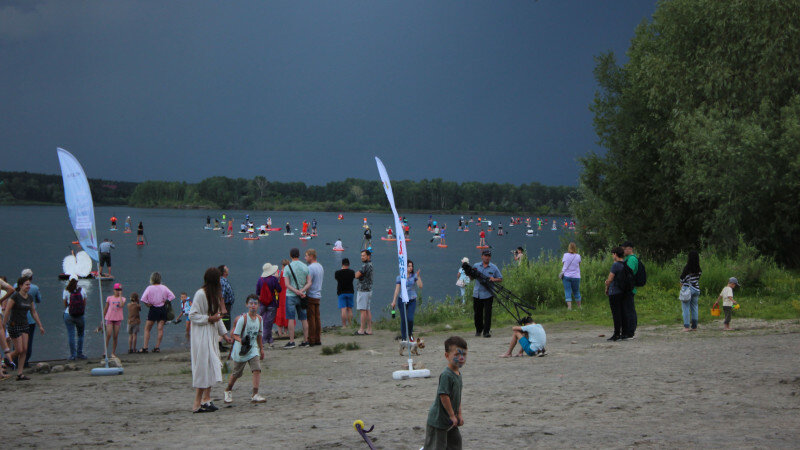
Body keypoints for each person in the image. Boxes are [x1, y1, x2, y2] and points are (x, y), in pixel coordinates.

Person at [189, 267, 232, 413]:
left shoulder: (215, 295)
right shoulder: (200, 294)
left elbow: (217, 316)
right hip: (201, 336)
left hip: (211, 335)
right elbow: (192, 315)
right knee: (203, 368)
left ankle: (206, 399)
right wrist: (208, 319)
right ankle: (197, 403)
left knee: (212, 366)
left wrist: (225, 335)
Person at [424, 336, 467, 450]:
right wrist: (452, 415)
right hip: (439, 420)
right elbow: (444, 396)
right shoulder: (446, 375)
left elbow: (457, 397)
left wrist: (459, 414)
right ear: (447, 356)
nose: (461, 358)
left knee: (456, 443)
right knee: (437, 446)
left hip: (450, 420)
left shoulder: (458, 374)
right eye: (457, 354)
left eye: (464, 354)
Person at [224, 295, 267, 404]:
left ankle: (255, 394)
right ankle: (228, 390)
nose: (253, 305)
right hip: (241, 351)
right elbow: (234, 334)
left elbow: (259, 335)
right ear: (247, 305)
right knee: (236, 373)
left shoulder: (259, 319)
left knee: (257, 369)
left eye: (255, 303)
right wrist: (241, 340)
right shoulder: (242, 319)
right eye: (251, 303)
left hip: (253, 349)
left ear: (258, 305)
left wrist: (261, 349)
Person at [3, 277, 45, 380]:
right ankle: (5, 360)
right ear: (21, 285)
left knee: (24, 350)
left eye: (29, 284)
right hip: (14, 324)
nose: (28, 286)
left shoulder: (29, 297)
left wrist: (40, 325)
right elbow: (7, 311)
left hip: (25, 324)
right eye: (26, 284)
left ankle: (20, 373)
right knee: (19, 349)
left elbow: (33, 312)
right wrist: (3, 325)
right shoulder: (15, 296)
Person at [140, 272, 176, 353]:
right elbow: (172, 296)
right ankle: (157, 347)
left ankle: (145, 347)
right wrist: (166, 301)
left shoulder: (149, 288)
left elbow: (143, 299)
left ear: (152, 279)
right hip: (162, 309)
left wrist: (147, 304)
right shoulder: (164, 287)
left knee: (147, 329)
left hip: (153, 309)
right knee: (160, 329)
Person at [282, 248, 311, 349]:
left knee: (291, 318)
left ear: (290, 255)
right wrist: (302, 291)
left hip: (291, 295)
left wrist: (296, 291)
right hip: (302, 296)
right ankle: (306, 340)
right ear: (299, 255)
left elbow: (287, 284)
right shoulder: (305, 266)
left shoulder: (287, 268)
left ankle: (292, 341)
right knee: (304, 318)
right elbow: (309, 282)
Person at [472, 250, 502, 338]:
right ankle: (478, 330)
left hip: (488, 294)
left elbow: (500, 278)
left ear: (490, 257)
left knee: (488, 314)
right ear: (482, 256)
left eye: (488, 256)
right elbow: (471, 277)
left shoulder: (494, 267)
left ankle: (486, 331)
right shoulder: (476, 266)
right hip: (477, 293)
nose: (487, 257)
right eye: (485, 256)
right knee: (477, 314)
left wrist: (494, 279)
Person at [604, 246, 631, 341]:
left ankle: (616, 334)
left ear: (615, 254)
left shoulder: (615, 265)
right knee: (623, 312)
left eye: (612, 254)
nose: (612, 256)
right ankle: (624, 333)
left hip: (614, 291)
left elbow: (610, 279)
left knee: (616, 313)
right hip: (623, 291)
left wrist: (606, 285)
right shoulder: (625, 264)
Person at [391, 261, 423, 341]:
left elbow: (420, 286)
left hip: (412, 299)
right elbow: (397, 289)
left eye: (411, 266)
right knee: (403, 319)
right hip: (402, 300)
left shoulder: (414, 276)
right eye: (409, 266)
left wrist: (418, 276)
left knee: (410, 319)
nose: (410, 268)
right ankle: (404, 338)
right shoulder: (400, 277)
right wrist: (394, 301)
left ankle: (410, 334)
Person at [17, 269, 41, 367]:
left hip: (17, 319)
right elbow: (39, 299)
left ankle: (15, 361)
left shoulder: (15, 286)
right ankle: (25, 362)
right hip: (30, 319)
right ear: (31, 277)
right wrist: (40, 325)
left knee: (17, 341)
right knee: (28, 342)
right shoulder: (34, 288)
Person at [256, 262, 281, 347]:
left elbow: (257, 292)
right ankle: (263, 341)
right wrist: (277, 281)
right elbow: (279, 289)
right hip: (272, 303)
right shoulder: (273, 279)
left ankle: (270, 340)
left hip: (262, 303)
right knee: (269, 323)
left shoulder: (260, 279)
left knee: (263, 321)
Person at [62, 276, 87, 360]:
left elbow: (65, 304)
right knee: (80, 335)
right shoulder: (82, 290)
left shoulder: (66, 290)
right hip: (80, 315)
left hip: (68, 314)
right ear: (77, 281)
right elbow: (84, 303)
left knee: (71, 335)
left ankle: (73, 355)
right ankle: (80, 353)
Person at [100, 283, 126, 358]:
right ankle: (105, 351)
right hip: (109, 318)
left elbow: (121, 305)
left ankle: (113, 352)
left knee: (115, 336)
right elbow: (106, 308)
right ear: (114, 290)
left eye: (119, 290)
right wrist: (103, 318)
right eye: (117, 290)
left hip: (118, 318)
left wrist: (120, 296)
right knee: (108, 334)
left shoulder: (123, 299)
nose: (118, 291)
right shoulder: (109, 298)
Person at [304, 249, 324, 346]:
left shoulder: (310, 268)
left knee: (311, 318)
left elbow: (308, 282)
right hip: (318, 294)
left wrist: (303, 291)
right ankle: (317, 338)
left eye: (306, 256)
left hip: (311, 295)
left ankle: (311, 339)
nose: (305, 258)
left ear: (311, 256)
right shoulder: (320, 266)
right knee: (317, 318)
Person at [679, 251, 702, 331]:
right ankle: (694, 326)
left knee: (686, 308)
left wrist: (682, 286)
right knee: (694, 307)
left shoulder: (687, 268)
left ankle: (686, 326)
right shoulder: (699, 269)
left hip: (687, 289)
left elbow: (682, 279)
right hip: (696, 289)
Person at [621, 242, 639, 338]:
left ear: (630, 249)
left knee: (629, 310)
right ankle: (628, 330)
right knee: (627, 309)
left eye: (624, 249)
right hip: (628, 288)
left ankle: (630, 331)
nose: (623, 251)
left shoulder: (631, 259)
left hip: (629, 288)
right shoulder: (628, 258)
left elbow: (628, 273)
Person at [354, 249, 374, 336]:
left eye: (364, 255)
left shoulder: (365, 266)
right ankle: (369, 329)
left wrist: (356, 273)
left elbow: (356, 275)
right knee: (367, 310)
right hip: (369, 290)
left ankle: (361, 329)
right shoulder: (370, 264)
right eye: (361, 255)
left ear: (368, 256)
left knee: (362, 310)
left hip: (363, 290)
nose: (362, 257)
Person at [335, 258, 355, 327]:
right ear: (349, 264)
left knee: (343, 309)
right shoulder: (352, 272)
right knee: (349, 309)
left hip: (341, 292)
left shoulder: (337, 273)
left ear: (342, 264)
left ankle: (344, 325)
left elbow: (336, 278)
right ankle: (350, 325)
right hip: (350, 292)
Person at [561, 242, 582, 310]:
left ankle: (569, 307)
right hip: (576, 276)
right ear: (575, 248)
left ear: (569, 248)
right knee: (576, 291)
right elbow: (578, 265)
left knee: (567, 291)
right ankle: (579, 307)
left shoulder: (565, 255)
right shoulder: (578, 256)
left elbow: (564, 264)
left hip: (566, 276)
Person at [275, 259, 290, 338]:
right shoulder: (289, 274)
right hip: (288, 295)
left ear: (282, 265)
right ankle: (286, 332)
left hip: (280, 296)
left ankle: (280, 333)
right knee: (287, 313)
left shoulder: (279, 273)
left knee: (279, 313)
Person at [219, 265, 235, 334]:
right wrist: (223, 308)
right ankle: (219, 339)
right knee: (225, 326)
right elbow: (221, 296)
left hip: (227, 306)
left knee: (226, 325)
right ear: (224, 272)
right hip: (225, 306)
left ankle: (221, 339)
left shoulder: (224, 281)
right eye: (226, 268)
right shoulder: (222, 282)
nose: (228, 269)